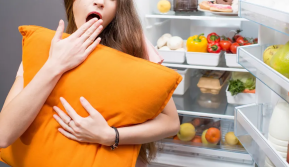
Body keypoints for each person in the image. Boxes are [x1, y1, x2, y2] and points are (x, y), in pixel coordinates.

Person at [0, 0, 180, 166]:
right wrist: (55, 65)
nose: (100, 2)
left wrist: (110, 136)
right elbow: (3, 136)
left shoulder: (135, 47)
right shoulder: (44, 50)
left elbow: (172, 123)